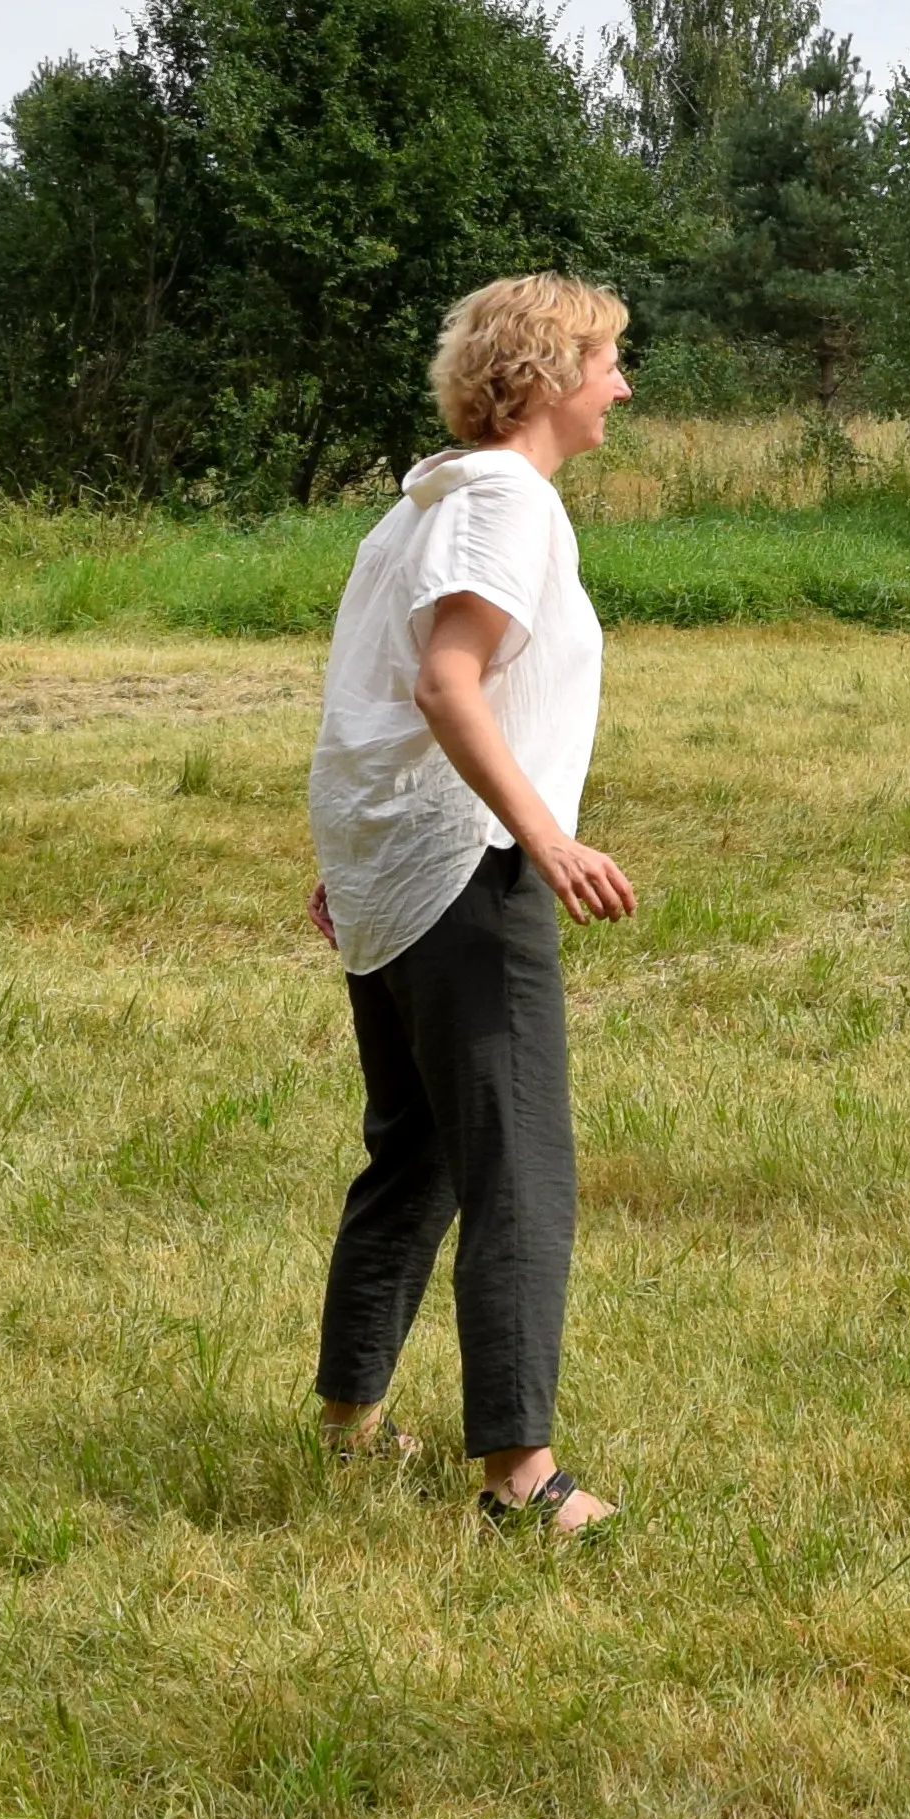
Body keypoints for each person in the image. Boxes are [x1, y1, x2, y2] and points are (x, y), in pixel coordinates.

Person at [305, 272, 643, 1539]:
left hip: (401, 863)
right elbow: (448, 683)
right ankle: (519, 1470)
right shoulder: (505, 502)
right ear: (550, 372)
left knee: (422, 1149)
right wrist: (545, 835)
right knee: (519, 1166)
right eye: (609, 359)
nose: (621, 384)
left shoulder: (422, 507)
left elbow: (373, 691)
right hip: (466, 863)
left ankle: (350, 1422)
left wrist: (352, 852)